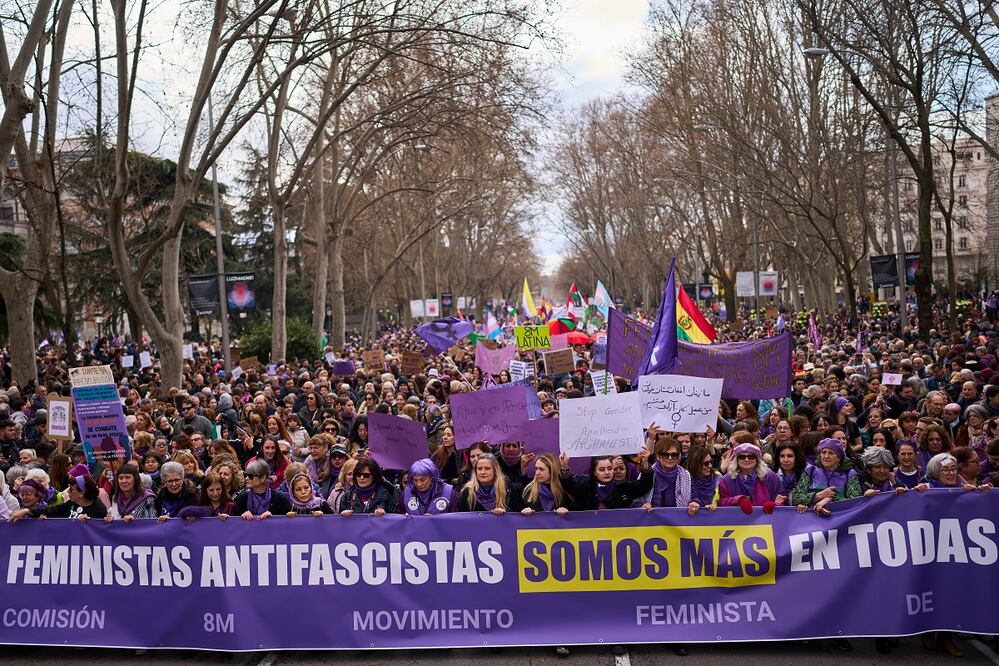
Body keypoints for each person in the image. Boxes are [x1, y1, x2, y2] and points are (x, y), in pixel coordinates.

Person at [791, 438, 863, 516]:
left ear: (839, 458)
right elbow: (795, 498)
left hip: (840, 519)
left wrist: (828, 499)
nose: (826, 456)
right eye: (823, 452)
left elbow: (854, 502)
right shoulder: (810, 471)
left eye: (831, 453)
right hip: (813, 520)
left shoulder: (850, 474)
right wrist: (817, 496)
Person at [718, 443, 786, 514]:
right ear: (737, 460)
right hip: (737, 521)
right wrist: (738, 500)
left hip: (765, 521)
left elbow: (781, 497)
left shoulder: (769, 475)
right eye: (742, 457)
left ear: (757, 459)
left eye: (751, 456)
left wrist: (774, 505)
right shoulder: (727, 479)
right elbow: (721, 502)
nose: (746, 459)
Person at [9, 474, 107, 521]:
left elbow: (100, 532)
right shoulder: (71, 503)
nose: (68, 492)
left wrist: (90, 523)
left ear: (82, 493)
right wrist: (27, 511)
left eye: (71, 490)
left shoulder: (98, 509)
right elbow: (50, 510)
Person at [639, 437, 687, 511]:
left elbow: (694, 496)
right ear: (658, 456)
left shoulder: (685, 475)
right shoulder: (649, 472)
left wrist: (695, 502)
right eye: (665, 455)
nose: (670, 458)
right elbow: (635, 497)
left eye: (674, 455)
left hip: (677, 519)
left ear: (678, 456)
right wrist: (642, 505)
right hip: (651, 519)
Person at [685, 445, 719, 517]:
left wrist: (715, 506)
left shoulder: (718, 479)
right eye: (706, 463)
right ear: (695, 464)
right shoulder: (684, 481)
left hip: (714, 521)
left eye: (711, 462)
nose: (710, 466)